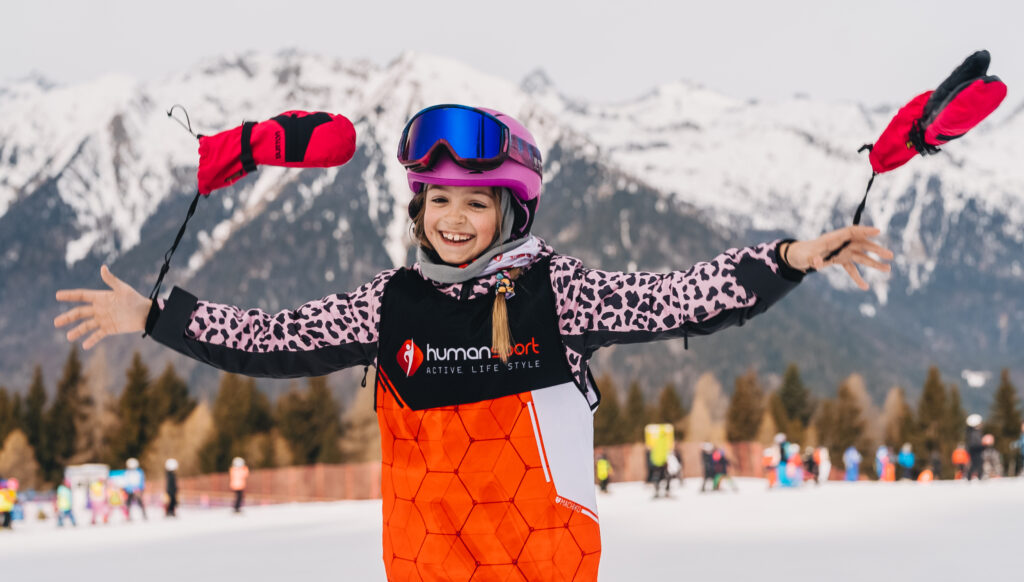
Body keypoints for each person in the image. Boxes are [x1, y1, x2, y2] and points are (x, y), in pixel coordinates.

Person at [54, 104, 893, 581]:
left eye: (476, 202)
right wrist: (157, 317)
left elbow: (673, 300)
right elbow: (274, 340)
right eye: (439, 200)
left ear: (509, 211)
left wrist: (789, 258)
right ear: (418, 209)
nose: (454, 219)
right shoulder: (390, 304)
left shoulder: (557, 293)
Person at [965, 414, 985, 481]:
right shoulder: (974, 433)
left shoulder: (973, 432)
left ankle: (975, 476)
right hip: (975, 451)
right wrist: (982, 447)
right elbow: (974, 444)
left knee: (976, 463)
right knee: (976, 463)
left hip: (975, 450)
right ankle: (975, 476)